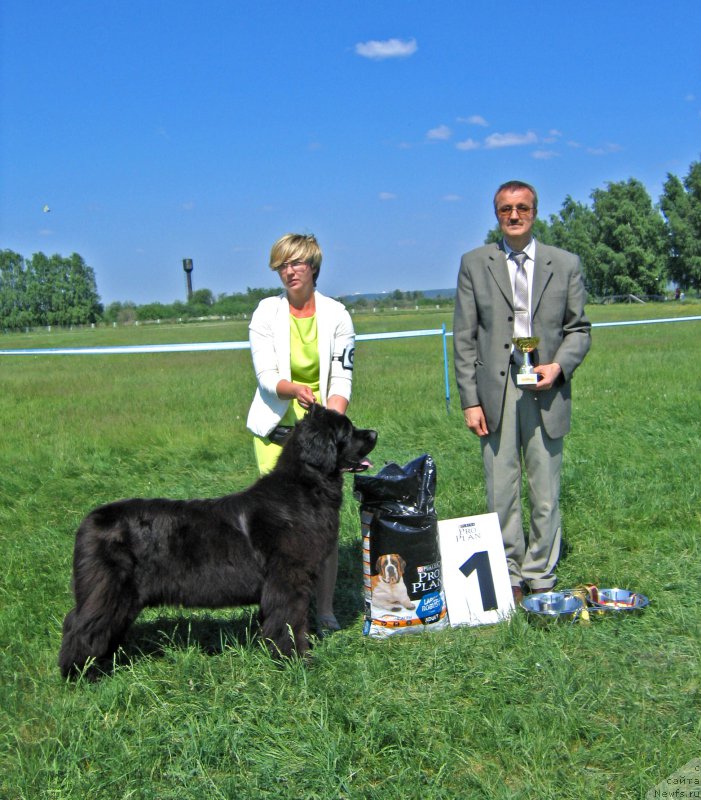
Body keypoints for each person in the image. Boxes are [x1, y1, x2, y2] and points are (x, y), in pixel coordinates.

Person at [453, 180, 591, 603]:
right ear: (496, 214)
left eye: (522, 208)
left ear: (535, 212)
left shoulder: (565, 264)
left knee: (545, 487)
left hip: (546, 387)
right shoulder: (474, 263)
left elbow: (579, 330)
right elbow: (464, 337)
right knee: (501, 487)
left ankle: (540, 571)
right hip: (496, 389)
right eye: (505, 209)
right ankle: (509, 571)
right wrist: (470, 400)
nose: (514, 215)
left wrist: (558, 366)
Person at [247, 233, 355, 634]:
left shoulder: (337, 315)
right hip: (276, 434)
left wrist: (331, 426)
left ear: (313, 266)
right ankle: (280, 613)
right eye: (282, 265)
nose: (289, 271)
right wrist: (293, 389)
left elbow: (342, 377)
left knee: (322, 524)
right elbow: (266, 376)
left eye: (296, 263)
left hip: (321, 437)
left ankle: (324, 611)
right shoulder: (265, 312)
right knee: (277, 531)